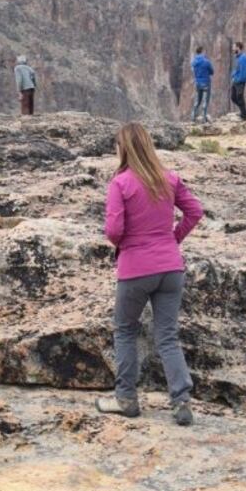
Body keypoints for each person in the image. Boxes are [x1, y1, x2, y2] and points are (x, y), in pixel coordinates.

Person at [97, 122, 204, 425]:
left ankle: (126, 399)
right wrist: (173, 239)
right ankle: (181, 402)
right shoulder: (169, 178)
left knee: (125, 331)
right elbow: (195, 211)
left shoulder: (121, 183)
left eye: (117, 145)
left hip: (135, 269)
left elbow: (114, 230)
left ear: (125, 149)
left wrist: (125, 244)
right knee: (167, 336)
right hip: (171, 268)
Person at [191, 46, 214, 123]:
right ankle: (204, 118)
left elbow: (194, 72)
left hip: (198, 83)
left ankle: (193, 117)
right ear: (202, 51)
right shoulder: (206, 62)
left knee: (197, 101)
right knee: (205, 101)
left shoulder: (194, 62)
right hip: (206, 83)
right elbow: (212, 71)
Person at [230, 41, 246, 120]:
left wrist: (238, 79)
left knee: (239, 97)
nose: (233, 49)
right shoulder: (237, 57)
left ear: (238, 47)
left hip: (240, 81)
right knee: (233, 98)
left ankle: (244, 115)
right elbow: (236, 69)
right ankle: (244, 111)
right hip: (235, 81)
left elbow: (244, 71)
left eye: (234, 47)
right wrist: (233, 76)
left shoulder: (243, 57)